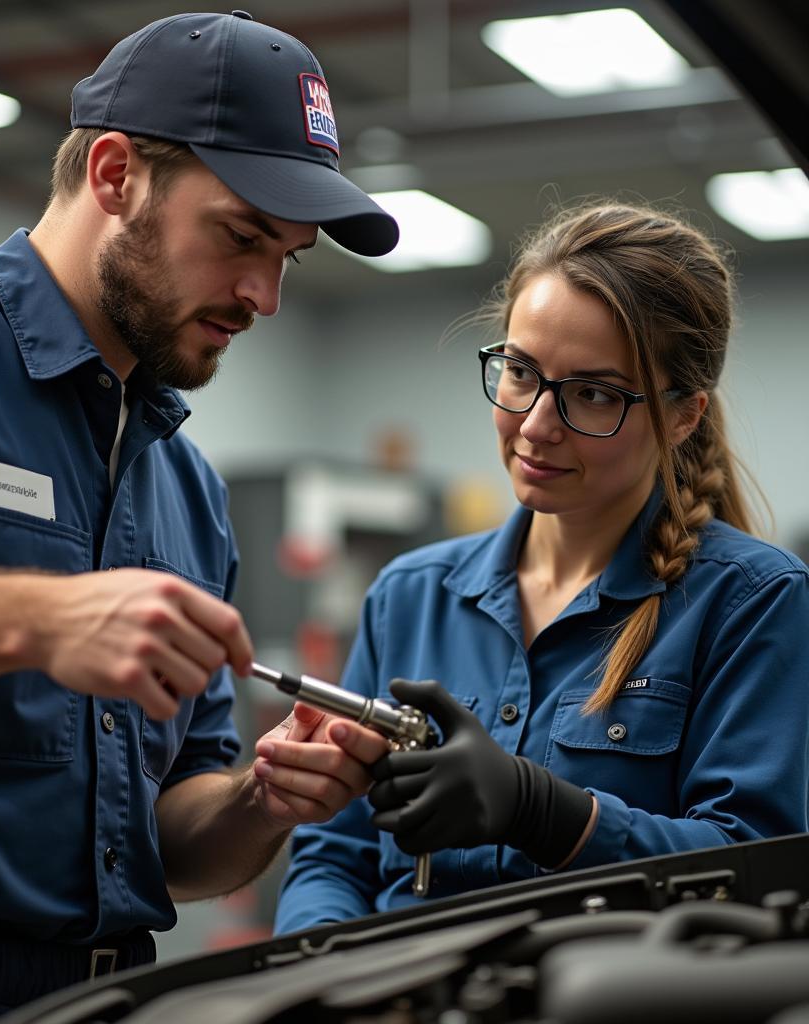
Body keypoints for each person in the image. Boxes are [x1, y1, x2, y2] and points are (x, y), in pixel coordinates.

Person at [0, 11, 395, 1022]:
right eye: (242, 236)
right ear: (115, 175)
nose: (265, 295)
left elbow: (173, 837)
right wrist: (38, 619)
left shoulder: (186, 489)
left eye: (288, 255)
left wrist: (263, 797)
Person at [274, 200, 809, 934]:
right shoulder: (411, 595)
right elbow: (334, 856)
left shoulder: (754, 602)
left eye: (592, 394)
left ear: (684, 414)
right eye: (521, 372)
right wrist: (323, 978)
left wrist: (546, 812)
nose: (535, 426)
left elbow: (757, 872)